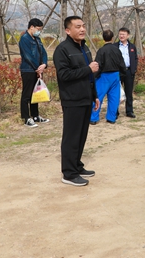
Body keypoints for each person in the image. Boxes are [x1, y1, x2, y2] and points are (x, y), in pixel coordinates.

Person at [53, 16, 100, 187]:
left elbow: (90, 75)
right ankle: (69, 173)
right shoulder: (62, 50)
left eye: (83, 26)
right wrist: (87, 69)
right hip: (72, 99)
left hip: (86, 97)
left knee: (81, 136)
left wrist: (95, 95)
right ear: (68, 30)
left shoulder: (84, 48)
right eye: (78, 26)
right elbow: (64, 75)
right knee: (71, 137)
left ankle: (77, 165)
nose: (82, 29)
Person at [90, 30, 126, 125]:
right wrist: (122, 74)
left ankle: (93, 118)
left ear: (103, 38)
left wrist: (94, 77)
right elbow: (122, 64)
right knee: (114, 98)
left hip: (103, 76)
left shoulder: (101, 50)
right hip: (115, 75)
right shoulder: (117, 50)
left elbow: (98, 65)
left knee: (99, 97)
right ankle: (111, 118)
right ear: (112, 38)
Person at [19, 18, 49, 128]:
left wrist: (44, 64)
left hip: (38, 69)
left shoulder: (37, 39)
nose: (39, 31)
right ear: (31, 27)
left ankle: (35, 115)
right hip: (28, 70)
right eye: (38, 29)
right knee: (27, 94)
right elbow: (28, 56)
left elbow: (44, 53)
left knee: (35, 94)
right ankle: (26, 118)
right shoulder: (24, 39)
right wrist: (38, 68)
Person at [115, 27, 138, 118]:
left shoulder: (132, 47)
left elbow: (135, 58)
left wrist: (134, 69)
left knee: (129, 92)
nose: (121, 36)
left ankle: (129, 111)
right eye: (120, 34)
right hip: (118, 72)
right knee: (116, 92)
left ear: (128, 36)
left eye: (123, 34)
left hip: (129, 71)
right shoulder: (115, 46)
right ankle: (115, 112)